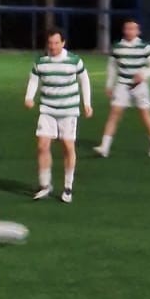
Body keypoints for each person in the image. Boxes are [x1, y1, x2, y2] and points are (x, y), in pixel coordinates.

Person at [24, 28, 92, 203]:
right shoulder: (40, 61)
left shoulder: (74, 61)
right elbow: (33, 80)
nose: (53, 46)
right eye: (50, 43)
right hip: (47, 109)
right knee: (42, 145)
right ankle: (45, 185)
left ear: (63, 43)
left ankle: (68, 187)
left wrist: (87, 103)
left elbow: (84, 80)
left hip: (68, 110)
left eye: (56, 43)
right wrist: (29, 97)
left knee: (68, 146)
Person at [96, 18, 150, 158]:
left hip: (140, 87)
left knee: (145, 116)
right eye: (127, 28)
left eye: (132, 29)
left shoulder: (145, 47)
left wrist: (144, 74)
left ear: (138, 31)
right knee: (114, 114)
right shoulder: (117, 47)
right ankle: (105, 147)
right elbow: (112, 67)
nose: (129, 31)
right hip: (122, 84)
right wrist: (109, 85)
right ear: (124, 30)